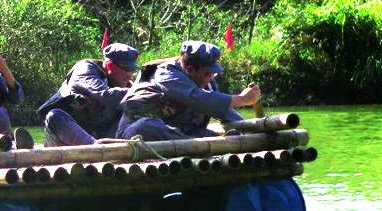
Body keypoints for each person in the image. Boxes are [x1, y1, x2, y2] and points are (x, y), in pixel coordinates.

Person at [116, 40, 260, 141]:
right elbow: (196, 98)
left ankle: (205, 141)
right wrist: (242, 99)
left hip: (181, 132)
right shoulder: (166, 74)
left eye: (213, 74)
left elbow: (223, 110)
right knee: (146, 126)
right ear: (190, 70)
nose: (211, 77)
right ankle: (204, 143)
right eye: (208, 74)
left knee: (200, 131)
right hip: (136, 133)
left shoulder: (207, 81)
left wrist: (252, 128)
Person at [38, 43, 140, 147]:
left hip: (101, 135)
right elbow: (104, 95)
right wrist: (141, 91)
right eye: (126, 70)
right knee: (54, 116)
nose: (129, 75)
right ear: (110, 66)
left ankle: (106, 146)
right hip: (68, 135)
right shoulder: (85, 69)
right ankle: (97, 147)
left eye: (132, 70)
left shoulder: (124, 84)